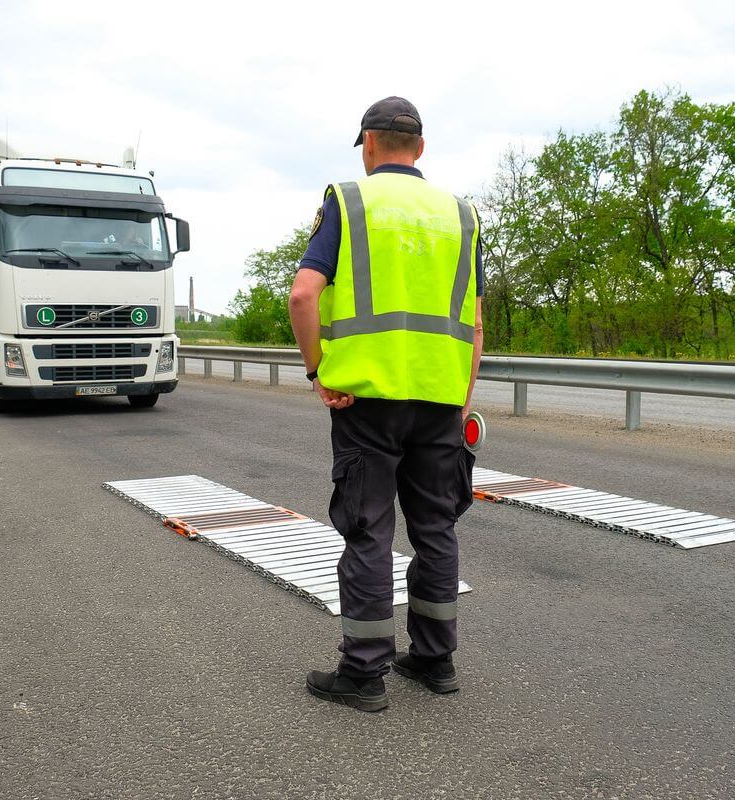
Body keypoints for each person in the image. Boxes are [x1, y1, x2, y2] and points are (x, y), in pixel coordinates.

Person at [289, 96, 485, 712]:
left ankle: (365, 675)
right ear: (419, 149)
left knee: (369, 532)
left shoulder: (348, 201)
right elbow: (475, 322)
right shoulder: (461, 214)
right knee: (437, 530)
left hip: (367, 400)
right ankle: (434, 659)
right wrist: (459, 394)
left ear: (368, 145)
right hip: (440, 398)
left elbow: (303, 295)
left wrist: (319, 371)